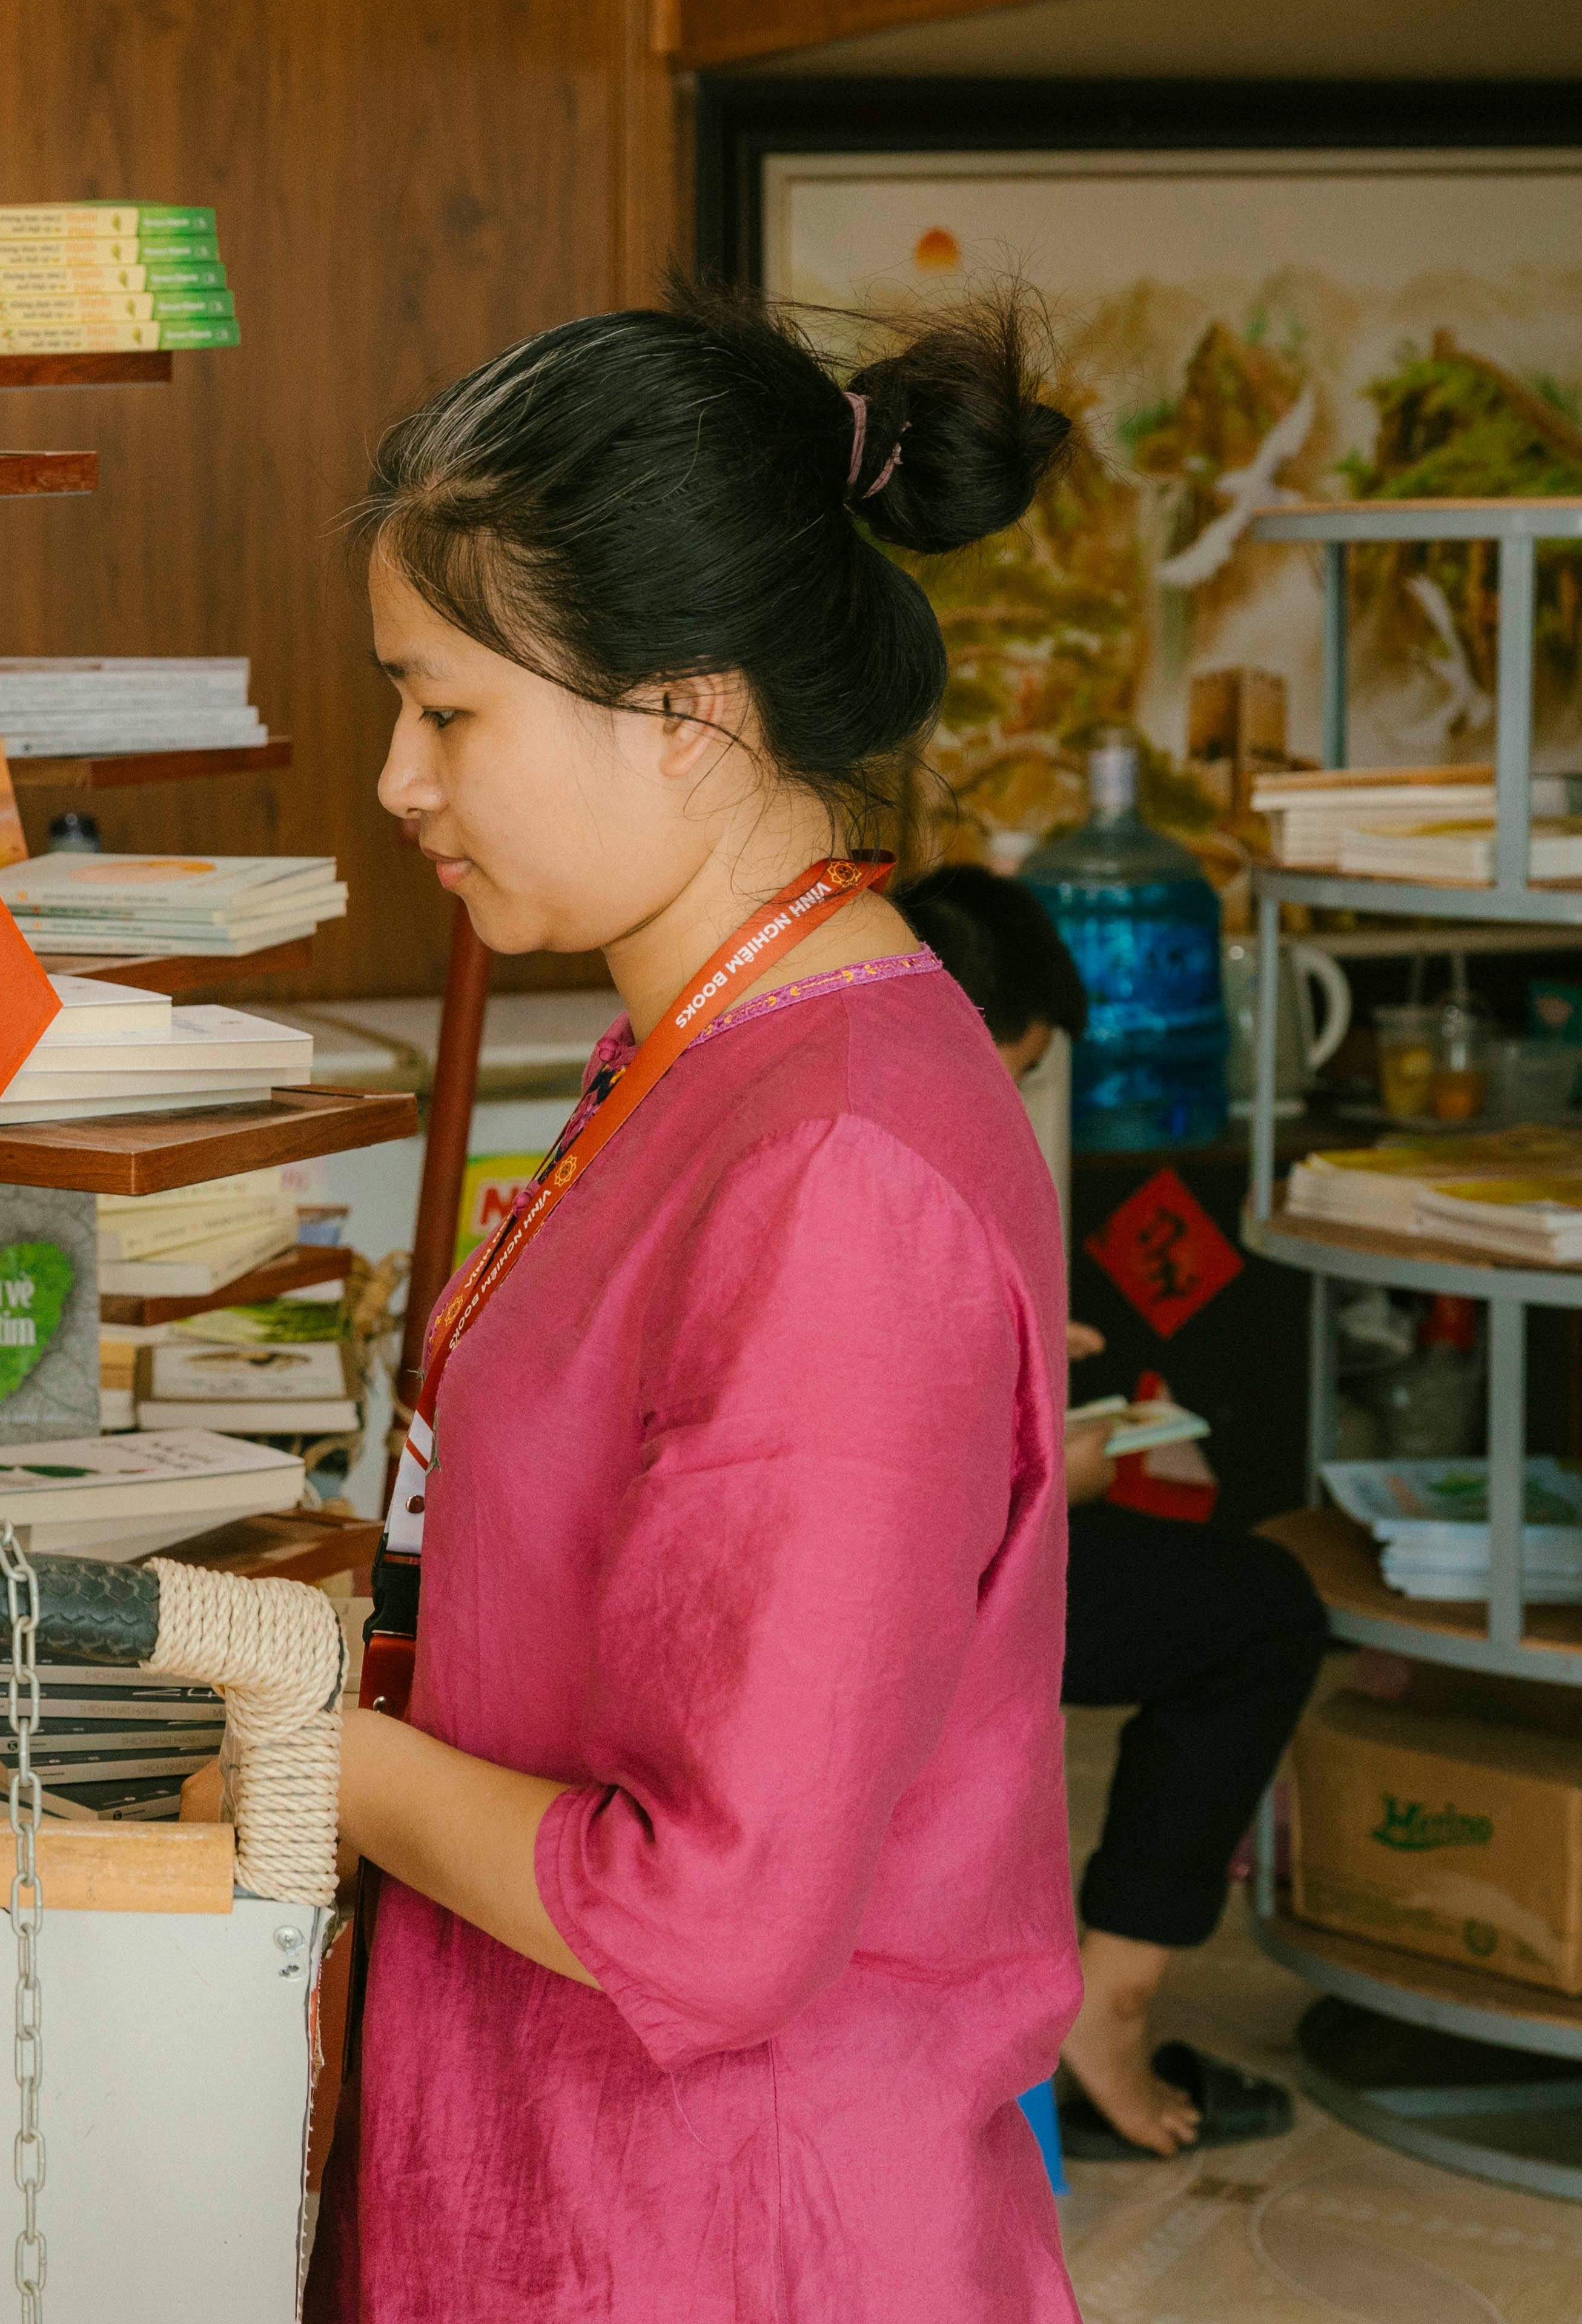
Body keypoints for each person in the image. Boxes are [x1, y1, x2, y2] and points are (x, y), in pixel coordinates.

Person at [328, 282, 1085, 2319]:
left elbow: (719, 1917)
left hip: (739, 2239)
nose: (401, 780)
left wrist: (320, 1750)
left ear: (686, 707)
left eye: (449, 709)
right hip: (569, 2183)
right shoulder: (689, 1052)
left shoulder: (837, 1166)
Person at [898, 863, 1318, 2159]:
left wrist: (1021, 1381)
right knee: (1261, 1617)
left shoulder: (832, 1101)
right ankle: (1112, 2001)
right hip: (911, 1587)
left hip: (893, 1561)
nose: (1014, 1099)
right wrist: (1046, 1461)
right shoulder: (887, 1141)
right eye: (1013, 1069)